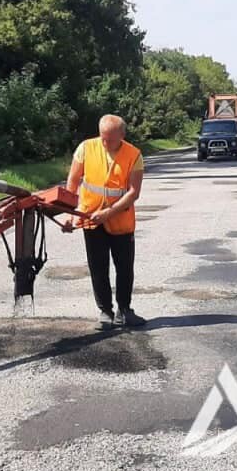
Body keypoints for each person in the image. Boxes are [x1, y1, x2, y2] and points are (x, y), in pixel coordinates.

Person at [65, 114, 147, 330]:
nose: (105, 142)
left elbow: (133, 193)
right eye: (102, 137)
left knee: (124, 268)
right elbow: (72, 182)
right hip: (90, 219)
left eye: (110, 139)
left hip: (121, 222)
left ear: (122, 135)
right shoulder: (86, 148)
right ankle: (105, 311)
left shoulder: (134, 155)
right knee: (98, 267)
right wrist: (69, 213)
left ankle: (124, 310)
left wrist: (109, 213)